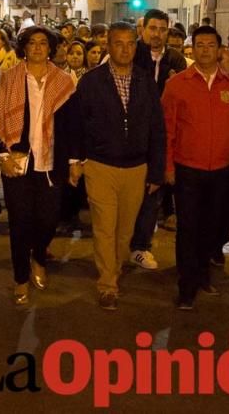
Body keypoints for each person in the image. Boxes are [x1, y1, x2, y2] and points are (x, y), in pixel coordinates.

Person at [69, 23, 165, 310]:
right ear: (108, 46)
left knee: (125, 230)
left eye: (130, 44)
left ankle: (114, 270)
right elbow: (78, 124)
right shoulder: (91, 81)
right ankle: (107, 284)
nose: (125, 49)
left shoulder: (145, 81)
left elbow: (157, 128)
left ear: (136, 47)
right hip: (101, 165)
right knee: (105, 227)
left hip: (136, 167)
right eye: (118, 43)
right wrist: (76, 161)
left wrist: (157, 170)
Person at [163, 26, 229, 311]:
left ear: (219, 49)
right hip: (187, 168)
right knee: (188, 228)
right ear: (192, 49)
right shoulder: (177, 84)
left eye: (210, 45)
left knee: (212, 227)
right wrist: (167, 166)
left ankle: (204, 275)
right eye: (199, 44)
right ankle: (186, 285)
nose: (205, 50)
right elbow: (166, 130)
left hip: (220, 170)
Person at [0, 26, 75, 306]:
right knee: (19, 222)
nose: (38, 47)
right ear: (23, 47)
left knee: (48, 220)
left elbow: (72, 126)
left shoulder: (64, 81)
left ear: (50, 48)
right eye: (32, 43)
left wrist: (75, 161)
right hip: (18, 161)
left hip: (51, 163)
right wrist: (4, 154)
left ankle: (38, 257)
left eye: (43, 43)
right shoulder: (9, 79)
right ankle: (20, 278)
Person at [130, 9, 187, 267]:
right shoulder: (131, 53)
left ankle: (141, 246)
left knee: (153, 188)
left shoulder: (175, 59)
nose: (158, 34)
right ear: (143, 30)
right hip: (132, 131)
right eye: (153, 28)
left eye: (163, 29)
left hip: (161, 133)